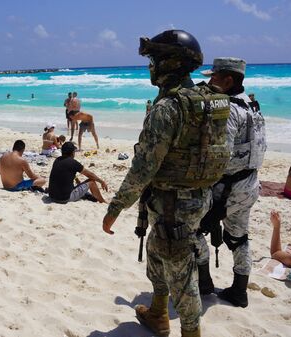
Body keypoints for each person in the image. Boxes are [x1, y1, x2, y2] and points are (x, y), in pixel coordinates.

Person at [102, 30, 230, 337]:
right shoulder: (205, 100)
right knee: (157, 253)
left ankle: (189, 331)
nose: (151, 66)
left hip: (173, 204)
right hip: (196, 198)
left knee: (182, 278)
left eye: (155, 59)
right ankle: (158, 313)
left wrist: (116, 207)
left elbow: (143, 167)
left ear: (169, 63)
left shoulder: (168, 108)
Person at [195, 57, 267, 308]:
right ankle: (239, 291)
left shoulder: (228, 111)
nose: (209, 81)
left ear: (227, 80)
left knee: (193, 229)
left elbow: (220, 155)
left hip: (226, 189)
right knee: (239, 237)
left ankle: (204, 282)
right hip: (250, 185)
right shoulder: (253, 106)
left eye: (213, 77)